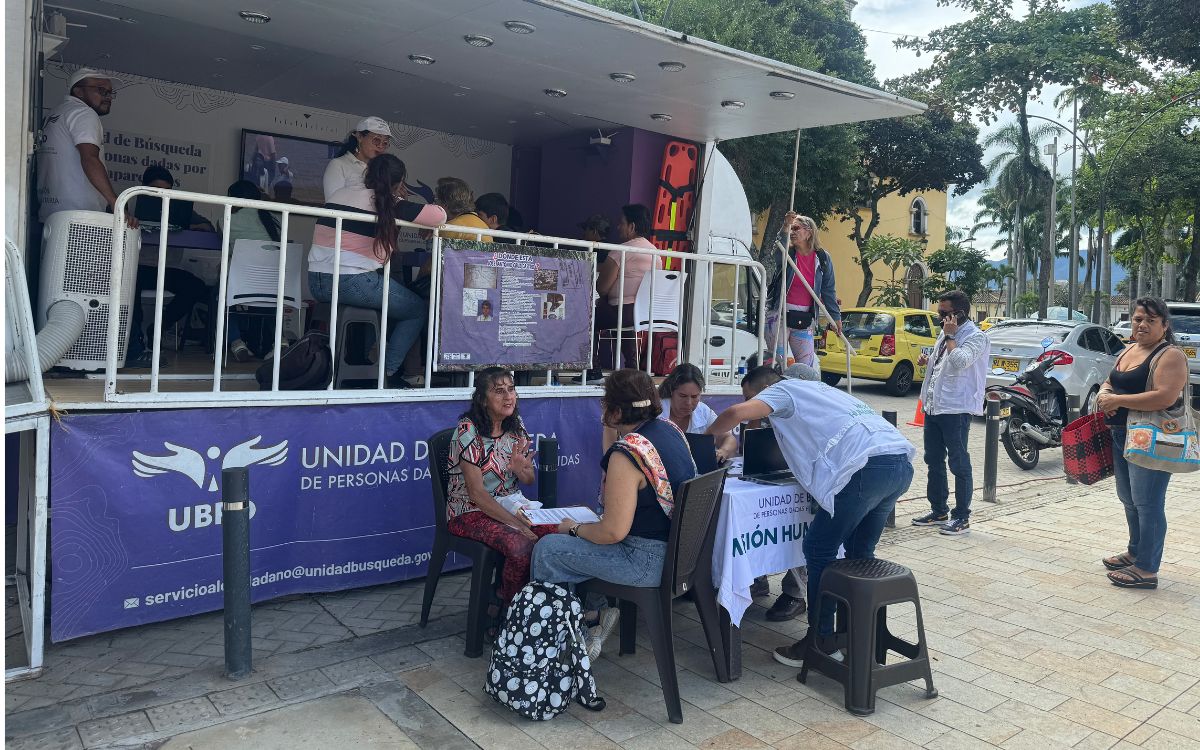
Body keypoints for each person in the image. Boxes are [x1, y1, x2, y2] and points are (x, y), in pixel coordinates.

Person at [708, 366, 915, 666]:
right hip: (898, 462)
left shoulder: (782, 391)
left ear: (763, 390)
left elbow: (735, 414)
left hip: (865, 470)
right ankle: (857, 635)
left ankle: (820, 642)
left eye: (752, 396)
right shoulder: (821, 392)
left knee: (818, 549)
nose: (759, 411)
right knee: (859, 552)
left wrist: (702, 438)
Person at [532, 368, 697, 659]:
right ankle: (590, 618)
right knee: (587, 534)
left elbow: (613, 533)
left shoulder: (626, 454)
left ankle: (562, 645)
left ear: (616, 411)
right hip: (679, 555)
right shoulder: (671, 431)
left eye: (605, 401)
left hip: (646, 561)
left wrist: (571, 529)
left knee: (549, 549)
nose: (602, 407)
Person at [307, 154, 446, 388]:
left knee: (381, 302)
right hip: (352, 281)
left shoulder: (339, 194)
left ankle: (362, 363)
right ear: (398, 181)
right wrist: (398, 197)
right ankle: (385, 370)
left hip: (316, 281)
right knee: (416, 309)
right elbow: (439, 215)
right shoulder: (388, 202)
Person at [1096, 297, 1190, 590]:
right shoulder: (1130, 349)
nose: (1142, 325)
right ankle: (1135, 550)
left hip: (1151, 438)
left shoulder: (1170, 355)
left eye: (1151, 320)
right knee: (1129, 500)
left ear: (1164, 325)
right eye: (1138, 319)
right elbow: (1111, 381)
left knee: (1148, 504)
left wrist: (1118, 400)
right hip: (1122, 435)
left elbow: (1166, 396)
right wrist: (1104, 394)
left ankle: (1147, 568)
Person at [446, 368, 550, 612]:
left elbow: (529, 480)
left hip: (510, 503)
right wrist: (519, 525)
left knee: (557, 535)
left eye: (511, 390)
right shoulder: (467, 431)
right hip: (468, 511)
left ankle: (541, 608)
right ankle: (506, 610)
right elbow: (477, 495)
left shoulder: (516, 426)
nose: (508, 397)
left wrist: (520, 469)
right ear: (483, 399)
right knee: (520, 545)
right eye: (499, 391)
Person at [911, 290, 990, 536]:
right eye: (939, 311)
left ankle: (962, 516)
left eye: (944, 313)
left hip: (956, 408)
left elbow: (960, 361)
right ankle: (938, 510)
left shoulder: (976, 337)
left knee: (959, 462)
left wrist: (950, 337)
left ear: (960, 314)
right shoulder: (946, 334)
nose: (939, 316)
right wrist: (929, 360)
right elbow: (943, 363)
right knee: (933, 459)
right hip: (934, 405)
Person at [126, 166, 210, 368]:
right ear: (144, 188)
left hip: (166, 269)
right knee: (130, 287)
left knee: (196, 286)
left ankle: (158, 328)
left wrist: (191, 226)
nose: (161, 195)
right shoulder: (130, 201)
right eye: (156, 190)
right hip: (137, 266)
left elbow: (208, 226)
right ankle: (133, 344)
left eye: (167, 190)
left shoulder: (178, 207)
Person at [37, 68, 136, 226]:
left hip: (51, 214)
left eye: (110, 93)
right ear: (79, 91)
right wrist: (116, 203)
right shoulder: (83, 113)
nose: (108, 97)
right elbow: (90, 158)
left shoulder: (55, 114)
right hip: (81, 215)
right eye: (101, 90)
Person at [587, 204, 661, 382]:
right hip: (643, 313)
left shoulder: (621, 251)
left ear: (632, 226)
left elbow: (601, 287)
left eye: (622, 223)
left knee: (586, 317)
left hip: (622, 312)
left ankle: (592, 371)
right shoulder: (656, 254)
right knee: (625, 324)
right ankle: (632, 370)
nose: (618, 227)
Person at [767, 213, 840, 368]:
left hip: (805, 317)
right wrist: (785, 226)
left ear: (809, 232)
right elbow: (778, 253)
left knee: (806, 365)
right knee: (778, 363)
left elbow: (828, 289)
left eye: (796, 228)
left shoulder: (823, 258)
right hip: (779, 315)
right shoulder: (788, 252)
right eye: (791, 229)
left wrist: (835, 317)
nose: (792, 232)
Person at [222, 179, 282, 361]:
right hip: (273, 285)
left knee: (220, 295)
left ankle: (236, 341)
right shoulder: (274, 218)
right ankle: (278, 342)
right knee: (266, 297)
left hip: (240, 284)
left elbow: (225, 248)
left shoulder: (227, 217)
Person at [656, 364, 738, 462]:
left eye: (694, 397)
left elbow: (728, 438)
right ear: (671, 391)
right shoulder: (656, 411)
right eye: (683, 396)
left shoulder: (703, 411)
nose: (688, 403)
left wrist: (723, 451)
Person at [322, 116, 393, 199]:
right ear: (359, 137)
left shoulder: (384, 170)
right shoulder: (338, 164)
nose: (380, 146)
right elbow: (333, 204)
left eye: (385, 143)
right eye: (376, 140)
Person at [436, 177, 492, 242]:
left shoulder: (450, 228)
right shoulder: (482, 224)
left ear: (445, 204)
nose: (434, 204)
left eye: (436, 199)